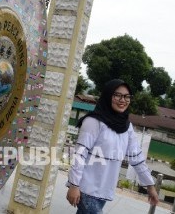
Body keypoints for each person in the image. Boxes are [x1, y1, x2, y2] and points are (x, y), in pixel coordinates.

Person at [66, 79, 159, 213]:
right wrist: (74, 185)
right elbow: (80, 154)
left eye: (127, 96)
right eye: (117, 95)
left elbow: (137, 157)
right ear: (108, 96)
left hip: (103, 191)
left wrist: (150, 186)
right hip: (86, 188)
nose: (123, 100)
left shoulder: (126, 126)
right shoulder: (93, 121)